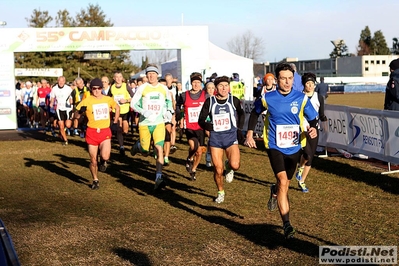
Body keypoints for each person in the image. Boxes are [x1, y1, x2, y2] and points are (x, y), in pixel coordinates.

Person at [244, 63, 319, 239]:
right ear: (277, 80)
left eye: (290, 78)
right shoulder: (267, 98)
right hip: (274, 145)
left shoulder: (301, 98)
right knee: (283, 181)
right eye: (283, 78)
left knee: (285, 182)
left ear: (294, 79)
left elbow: (313, 118)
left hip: (295, 146)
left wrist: (314, 128)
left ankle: (274, 190)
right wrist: (249, 134)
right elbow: (255, 113)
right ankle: (287, 224)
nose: (287, 82)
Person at [198, 76, 245, 203]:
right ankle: (220, 192)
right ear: (216, 88)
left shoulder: (233, 100)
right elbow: (201, 120)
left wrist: (239, 129)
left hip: (231, 137)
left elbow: (241, 114)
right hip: (216, 139)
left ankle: (228, 167)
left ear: (229, 87)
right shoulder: (210, 102)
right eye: (220, 86)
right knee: (218, 170)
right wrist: (209, 126)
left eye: (226, 86)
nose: (224, 88)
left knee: (235, 165)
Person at [130, 64, 174, 190]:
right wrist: (143, 112)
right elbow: (133, 103)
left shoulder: (163, 88)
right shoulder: (142, 88)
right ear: (146, 75)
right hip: (145, 123)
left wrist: (169, 111)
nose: (151, 76)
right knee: (145, 152)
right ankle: (138, 146)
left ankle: (158, 177)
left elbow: (168, 101)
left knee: (159, 148)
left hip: (159, 123)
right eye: (149, 74)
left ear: (157, 75)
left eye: (153, 74)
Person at [75, 78, 120, 190]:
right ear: (91, 89)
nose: (96, 91)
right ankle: (95, 179)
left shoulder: (108, 99)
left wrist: (114, 122)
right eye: (94, 88)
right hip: (92, 132)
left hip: (104, 131)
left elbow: (117, 107)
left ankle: (103, 161)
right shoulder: (87, 100)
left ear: (102, 88)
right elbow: (75, 115)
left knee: (105, 156)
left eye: (99, 88)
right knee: (93, 160)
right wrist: (80, 112)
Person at [295, 72, 327, 193]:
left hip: (314, 129)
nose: (310, 86)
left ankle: (302, 181)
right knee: (306, 153)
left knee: (311, 157)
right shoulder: (298, 96)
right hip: (301, 129)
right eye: (308, 83)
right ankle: (300, 166)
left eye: (312, 83)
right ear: (303, 85)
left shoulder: (319, 97)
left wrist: (324, 119)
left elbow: (321, 113)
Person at [176, 72, 208, 181]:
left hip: (201, 127)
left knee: (199, 151)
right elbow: (178, 107)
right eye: (194, 82)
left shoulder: (205, 95)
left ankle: (194, 169)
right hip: (189, 126)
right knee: (194, 147)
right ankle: (189, 158)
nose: (196, 85)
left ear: (201, 84)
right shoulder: (184, 95)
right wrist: (180, 117)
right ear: (191, 83)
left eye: (198, 82)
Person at [110, 71, 133, 155]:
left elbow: (134, 97)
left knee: (125, 129)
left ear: (122, 78)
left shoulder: (126, 86)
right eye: (117, 77)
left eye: (120, 77)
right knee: (119, 129)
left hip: (125, 110)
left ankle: (123, 137)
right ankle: (121, 147)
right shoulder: (112, 87)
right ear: (114, 78)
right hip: (116, 111)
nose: (118, 79)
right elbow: (109, 98)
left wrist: (126, 100)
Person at [49, 76, 73, 146]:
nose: (61, 82)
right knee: (61, 126)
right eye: (60, 81)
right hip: (59, 108)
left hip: (67, 108)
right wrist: (51, 103)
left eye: (62, 81)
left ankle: (61, 132)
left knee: (68, 125)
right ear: (57, 81)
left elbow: (71, 97)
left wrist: (72, 102)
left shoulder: (68, 88)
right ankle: (65, 140)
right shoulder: (54, 88)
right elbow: (52, 97)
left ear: (64, 81)